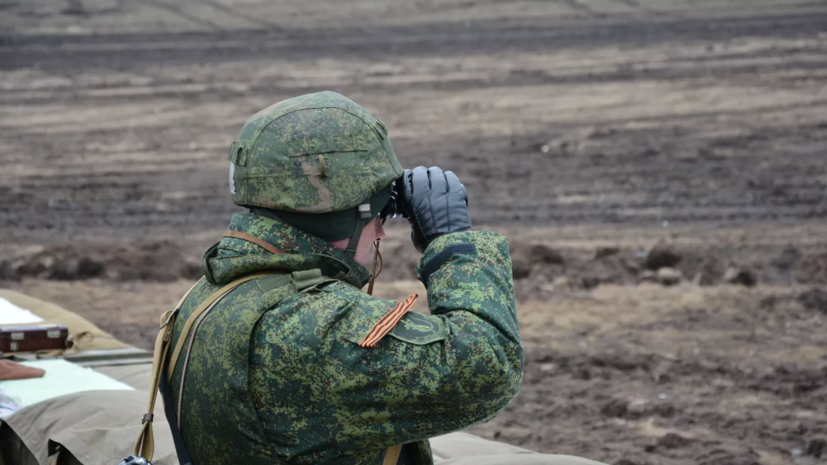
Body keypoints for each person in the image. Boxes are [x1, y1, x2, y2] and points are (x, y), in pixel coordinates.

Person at [161, 91, 606, 465]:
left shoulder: (210, 295)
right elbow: (488, 366)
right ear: (338, 218)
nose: (380, 229)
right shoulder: (308, 329)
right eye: (374, 214)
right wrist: (452, 243)